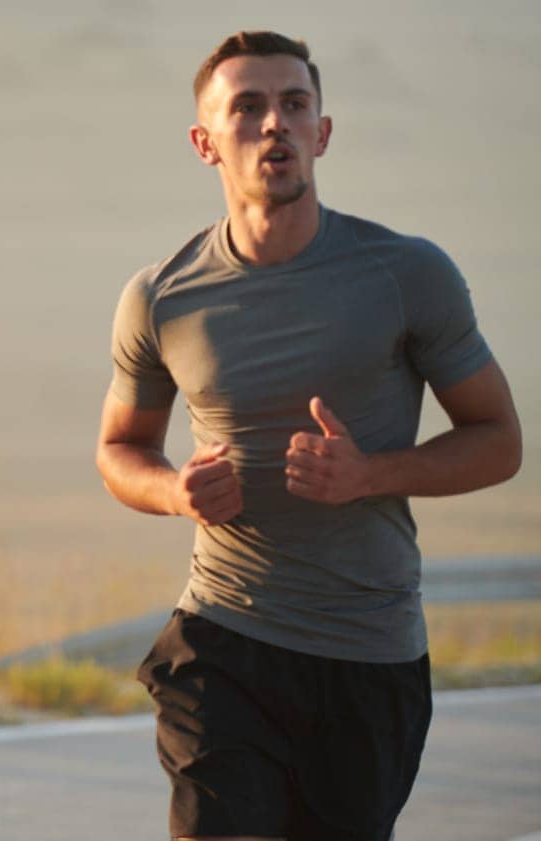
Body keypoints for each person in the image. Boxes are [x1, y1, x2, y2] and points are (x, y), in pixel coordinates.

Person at [96, 31, 523, 841]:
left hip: (367, 652)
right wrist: (173, 490)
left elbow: (499, 439)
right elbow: (120, 448)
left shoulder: (407, 274)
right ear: (205, 142)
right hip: (223, 639)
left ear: (322, 132)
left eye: (294, 105)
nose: (273, 125)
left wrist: (370, 473)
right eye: (247, 107)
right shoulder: (162, 296)